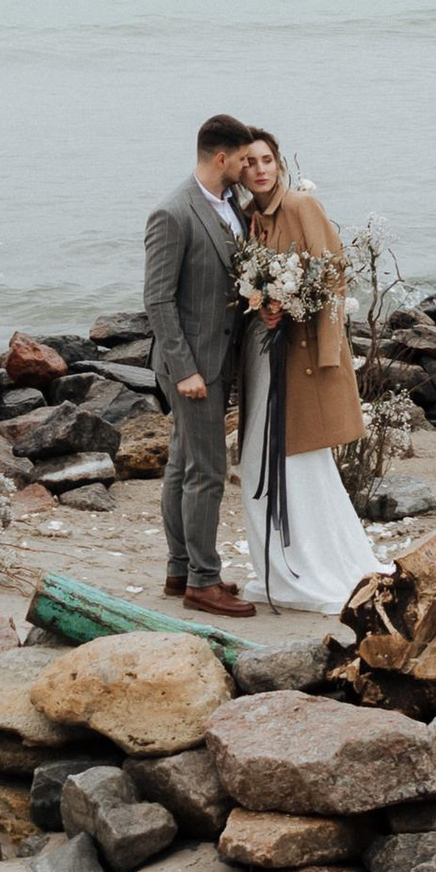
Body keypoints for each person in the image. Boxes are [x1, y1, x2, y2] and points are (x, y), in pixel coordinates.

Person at [232, 127, 380, 615]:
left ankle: (309, 571)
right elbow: (257, 286)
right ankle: (279, 568)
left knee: (297, 463)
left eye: (266, 160)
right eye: (249, 161)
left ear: (279, 164)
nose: (259, 169)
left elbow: (332, 274)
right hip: (264, 360)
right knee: (258, 462)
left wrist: (321, 346)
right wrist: (262, 306)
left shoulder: (299, 207)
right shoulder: (250, 219)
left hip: (299, 362)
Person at [141, 115, 259, 617]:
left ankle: (179, 569)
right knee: (206, 471)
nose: (248, 166)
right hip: (191, 366)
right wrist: (185, 369)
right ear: (221, 158)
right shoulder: (173, 213)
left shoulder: (229, 204)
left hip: (217, 355)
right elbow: (158, 300)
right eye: (242, 159)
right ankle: (202, 583)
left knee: (181, 464)